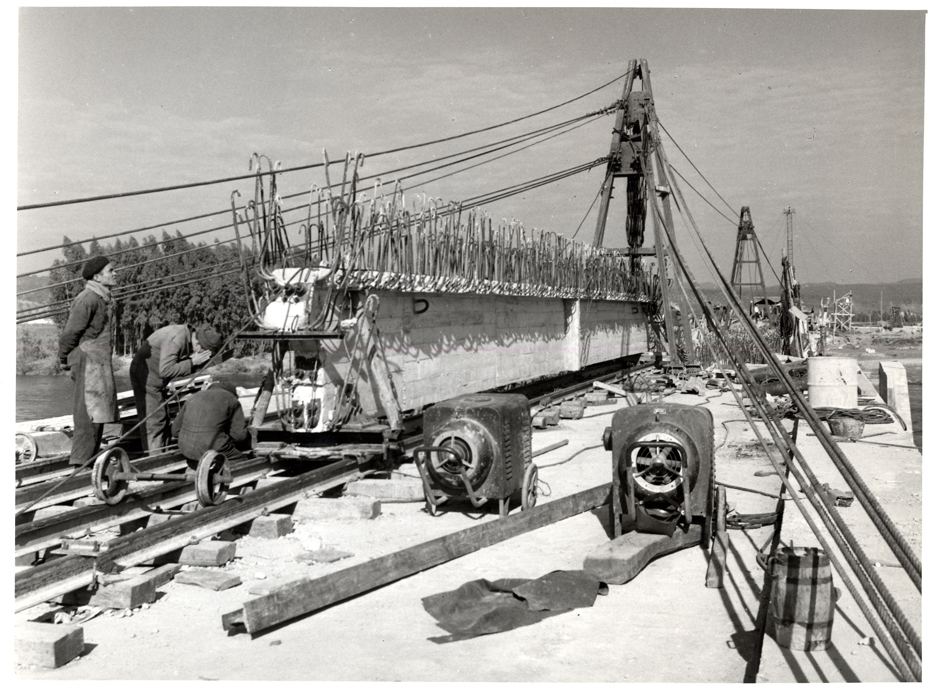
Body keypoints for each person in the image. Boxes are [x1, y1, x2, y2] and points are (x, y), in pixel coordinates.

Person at [58, 256, 119, 465]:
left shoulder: (103, 298)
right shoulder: (88, 299)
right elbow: (70, 333)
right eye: (111, 270)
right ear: (97, 276)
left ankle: (89, 459)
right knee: (87, 412)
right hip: (87, 358)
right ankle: (80, 463)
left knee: (99, 410)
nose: (115, 273)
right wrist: (63, 358)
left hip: (98, 359)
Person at [129, 323, 222, 455]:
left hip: (155, 378)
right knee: (155, 421)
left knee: (164, 419)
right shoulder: (176, 339)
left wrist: (193, 363)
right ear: (200, 346)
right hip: (145, 377)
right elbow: (166, 370)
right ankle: (154, 460)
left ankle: (162, 452)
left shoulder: (187, 336)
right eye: (203, 353)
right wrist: (192, 362)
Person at [171, 381, 250, 467]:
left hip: (185, 449)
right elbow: (239, 436)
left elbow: (175, 432)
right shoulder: (231, 399)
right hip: (212, 448)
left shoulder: (192, 397)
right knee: (241, 459)